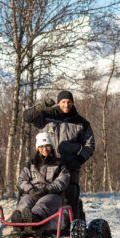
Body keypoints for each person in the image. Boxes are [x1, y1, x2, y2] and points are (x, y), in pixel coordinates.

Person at [23, 90, 94, 219]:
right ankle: (31, 218)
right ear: (58, 102)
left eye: (69, 102)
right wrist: (41, 106)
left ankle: (73, 225)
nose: (66, 105)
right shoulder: (47, 116)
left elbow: (89, 145)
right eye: (63, 102)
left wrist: (78, 160)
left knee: (70, 195)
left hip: (70, 165)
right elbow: (26, 117)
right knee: (36, 193)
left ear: (72, 103)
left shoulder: (81, 123)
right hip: (46, 165)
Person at [9, 132, 70, 227]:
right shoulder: (30, 164)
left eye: (47, 146)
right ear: (37, 148)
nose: (44, 149)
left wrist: (47, 189)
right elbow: (21, 180)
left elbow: (62, 181)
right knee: (25, 201)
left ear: (51, 147)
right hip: (33, 192)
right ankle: (18, 219)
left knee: (44, 204)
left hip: (51, 194)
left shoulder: (60, 164)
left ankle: (34, 218)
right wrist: (30, 189)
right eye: (41, 147)